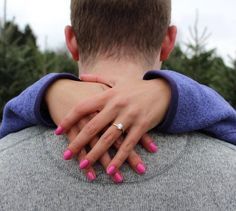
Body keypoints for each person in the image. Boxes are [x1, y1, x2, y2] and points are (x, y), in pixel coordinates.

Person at [0, 0, 236, 183]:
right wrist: (176, 92)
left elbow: (6, 127)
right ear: (168, 42)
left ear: (71, 41)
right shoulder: (228, 166)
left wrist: (45, 91)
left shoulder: (7, 160)